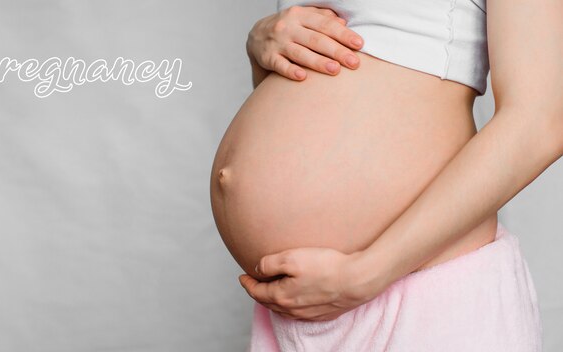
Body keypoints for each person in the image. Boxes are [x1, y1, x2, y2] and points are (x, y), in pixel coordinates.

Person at [209, 1, 562, 350]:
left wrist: (365, 274)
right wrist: (262, 47)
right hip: (302, 306)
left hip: (423, 296)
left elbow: (541, 120)